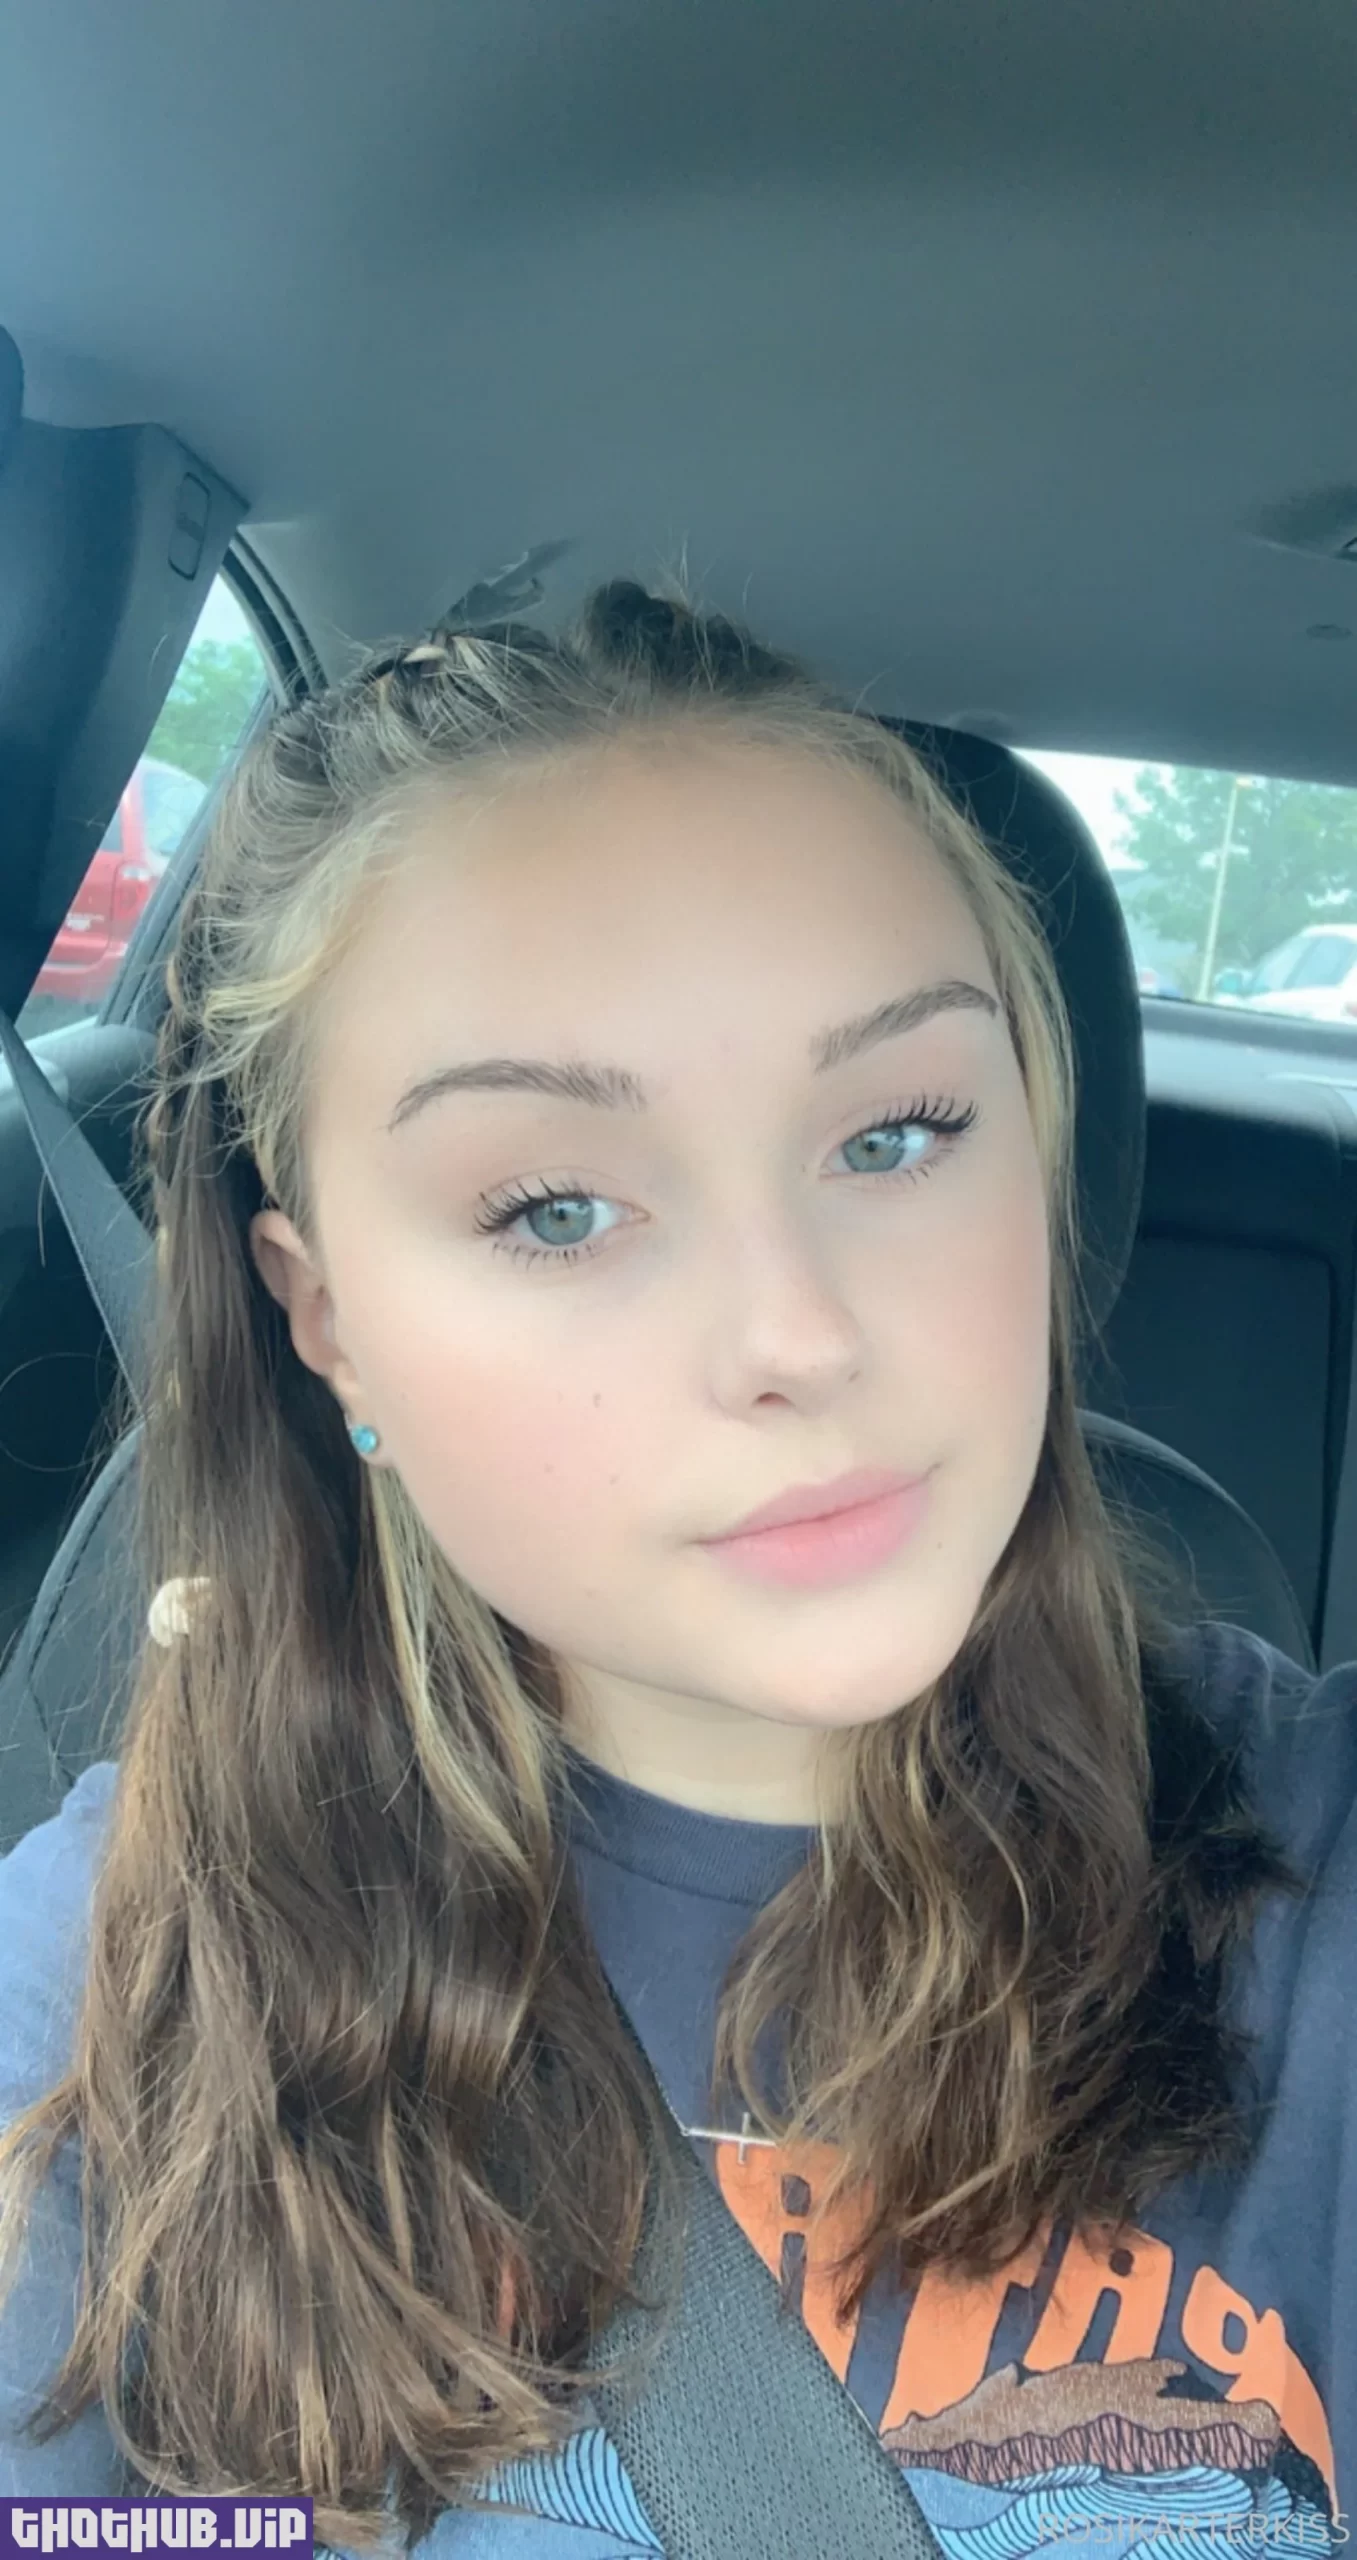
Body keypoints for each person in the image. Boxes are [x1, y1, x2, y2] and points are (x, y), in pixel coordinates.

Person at [0, 579, 1352, 2557]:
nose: (796, 1331)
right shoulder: (121, 1976)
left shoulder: (1313, 1868)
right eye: (556, 1206)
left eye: (897, 1134)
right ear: (328, 1318)